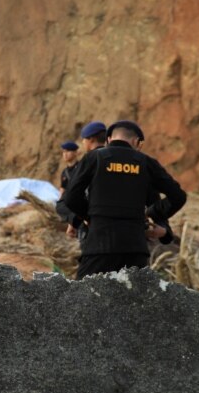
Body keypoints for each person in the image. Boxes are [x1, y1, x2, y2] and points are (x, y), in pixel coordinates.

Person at [64, 120, 186, 279]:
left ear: (109, 140)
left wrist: (90, 217)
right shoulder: (146, 163)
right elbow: (178, 196)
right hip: (135, 250)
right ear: (137, 142)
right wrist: (152, 214)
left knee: (86, 299)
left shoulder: (94, 158)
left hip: (99, 247)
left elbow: (71, 197)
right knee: (133, 302)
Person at [56, 121, 107, 241]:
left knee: (61, 205)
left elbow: (71, 197)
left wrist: (85, 218)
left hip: (91, 212)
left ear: (91, 140)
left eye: (84, 139)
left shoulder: (88, 160)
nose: (83, 142)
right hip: (107, 213)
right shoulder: (113, 157)